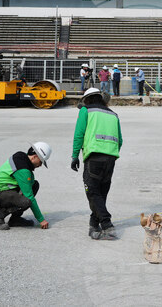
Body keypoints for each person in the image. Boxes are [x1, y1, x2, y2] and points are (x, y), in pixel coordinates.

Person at [71, 88, 123, 240]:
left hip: (94, 157)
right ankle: (94, 224)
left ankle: (107, 225)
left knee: (92, 192)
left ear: (86, 99)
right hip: (111, 158)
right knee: (101, 192)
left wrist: (75, 156)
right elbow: (120, 140)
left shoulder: (86, 110)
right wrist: (111, 153)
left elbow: (79, 134)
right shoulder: (113, 114)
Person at [0, 142, 52, 231]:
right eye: (41, 161)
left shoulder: (21, 157)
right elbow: (29, 196)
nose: (40, 165)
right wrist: (41, 219)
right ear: (34, 156)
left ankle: (15, 220)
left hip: (4, 190)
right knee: (26, 201)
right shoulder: (23, 170)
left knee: (34, 185)